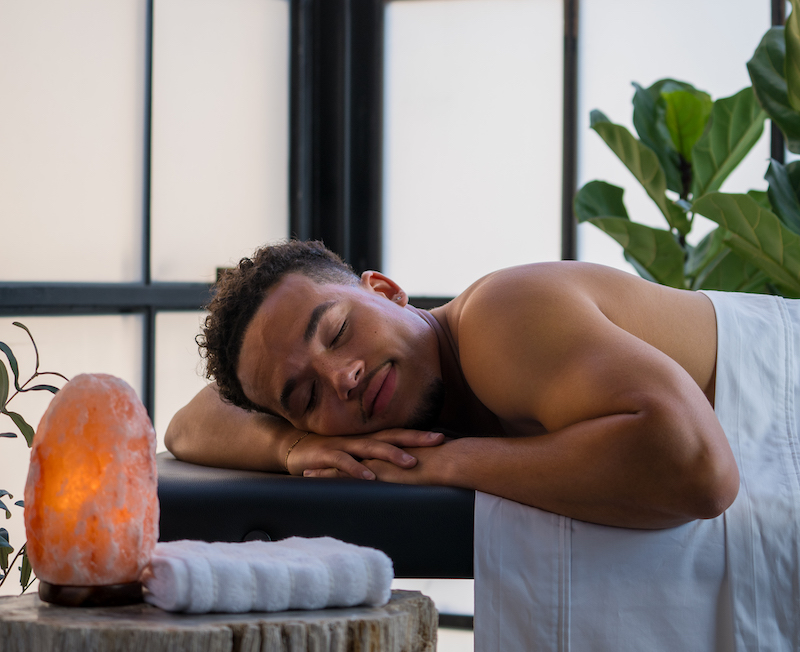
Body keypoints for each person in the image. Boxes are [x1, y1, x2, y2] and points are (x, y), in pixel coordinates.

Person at [166, 239, 740, 530]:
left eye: (338, 331)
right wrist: (295, 447)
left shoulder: (497, 320)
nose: (341, 378)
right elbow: (187, 425)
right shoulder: (321, 423)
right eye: (306, 396)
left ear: (386, 291)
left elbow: (700, 471)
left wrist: (436, 464)